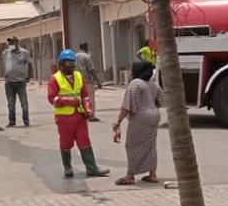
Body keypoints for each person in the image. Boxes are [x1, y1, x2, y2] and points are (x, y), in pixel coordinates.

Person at [48, 49, 110, 178]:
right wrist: (69, 101)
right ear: (61, 64)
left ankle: (92, 168)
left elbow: (84, 95)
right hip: (64, 117)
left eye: (72, 63)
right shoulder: (55, 79)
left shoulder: (78, 76)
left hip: (79, 116)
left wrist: (88, 109)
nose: (70, 66)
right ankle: (67, 167)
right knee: (66, 143)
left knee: (84, 141)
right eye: (67, 63)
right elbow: (52, 98)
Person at [113, 61, 162, 185]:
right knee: (150, 145)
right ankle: (152, 174)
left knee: (132, 146)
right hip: (154, 116)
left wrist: (118, 120)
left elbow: (127, 106)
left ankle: (130, 175)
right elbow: (161, 100)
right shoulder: (153, 84)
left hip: (141, 118)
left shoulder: (135, 83)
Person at [1, 36, 32, 127]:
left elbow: (30, 64)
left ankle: (26, 120)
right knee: (11, 104)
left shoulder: (24, 52)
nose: (11, 44)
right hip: (9, 82)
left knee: (24, 103)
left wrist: (29, 76)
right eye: (10, 42)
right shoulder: (6, 52)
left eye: (13, 42)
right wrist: (2, 48)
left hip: (20, 81)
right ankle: (12, 121)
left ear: (17, 42)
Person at [74, 43, 103, 122]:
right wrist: (98, 81)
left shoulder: (74, 56)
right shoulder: (87, 56)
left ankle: (82, 114)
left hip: (77, 81)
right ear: (86, 47)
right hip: (87, 81)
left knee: (81, 98)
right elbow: (91, 69)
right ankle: (91, 116)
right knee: (90, 99)